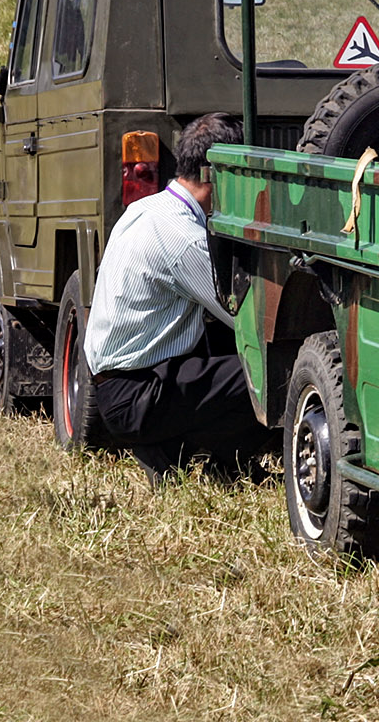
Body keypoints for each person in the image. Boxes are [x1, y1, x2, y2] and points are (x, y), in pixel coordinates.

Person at [85, 113, 274, 481]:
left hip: (118, 384)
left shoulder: (146, 209)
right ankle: (217, 462)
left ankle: (179, 444)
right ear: (212, 174)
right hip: (137, 394)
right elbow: (244, 318)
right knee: (271, 367)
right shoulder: (183, 237)